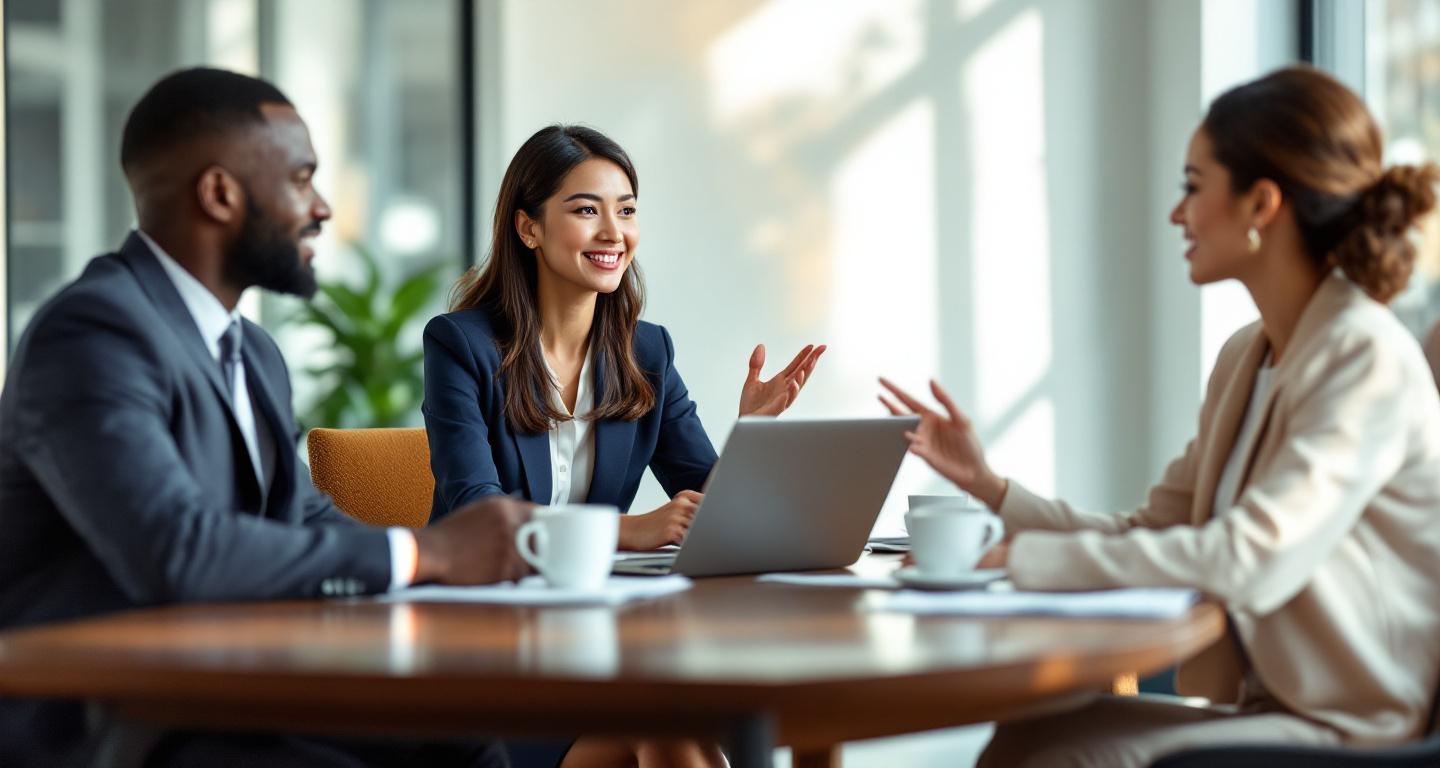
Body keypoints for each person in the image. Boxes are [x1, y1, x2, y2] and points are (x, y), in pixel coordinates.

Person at [880, 65, 1440, 767]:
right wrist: (991, 488)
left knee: (1057, 757)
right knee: (1028, 737)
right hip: (1262, 706)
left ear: (1261, 204)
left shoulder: (1363, 357)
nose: (1177, 214)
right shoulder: (1249, 357)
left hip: (1354, 731)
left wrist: (1022, 561)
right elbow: (1155, 532)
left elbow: (1249, 559)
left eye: (1193, 187)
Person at [0, 67, 532, 768]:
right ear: (220, 194)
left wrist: (467, 565)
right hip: (106, 718)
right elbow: (176, 552)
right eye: (301, 178)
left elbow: (301, 516)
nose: (323, 208)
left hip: (226, 683)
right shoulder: (94, 332)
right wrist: (426, 552)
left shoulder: (251, 351)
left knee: (461, 735)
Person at [423, 124, 824, 550]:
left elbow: (708, 512)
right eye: (586, 211)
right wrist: (626, 530)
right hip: (477, 601)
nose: (614, 233)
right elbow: (478, 511)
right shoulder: (461, 345)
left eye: (627, 211)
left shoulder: (647, 354)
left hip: (601, 602)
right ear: (529, 229)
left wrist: (751, 438)